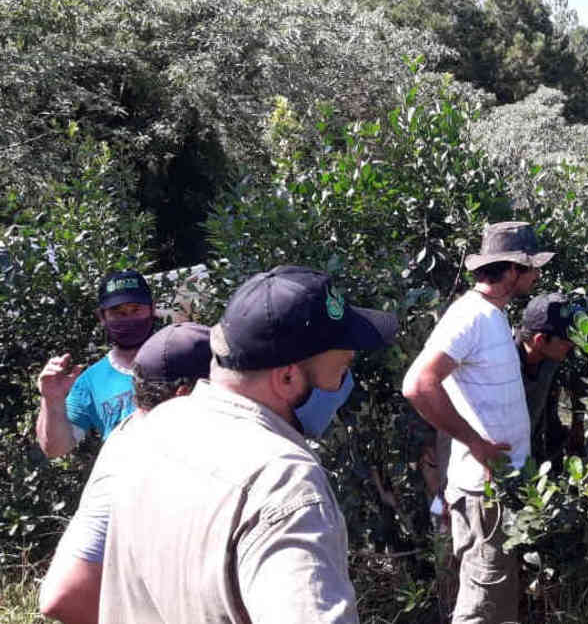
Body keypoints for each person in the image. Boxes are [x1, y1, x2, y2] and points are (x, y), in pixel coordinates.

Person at [100, 265, 396, 623]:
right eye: (341, 367)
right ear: (288, 377)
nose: (343, 382)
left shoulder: (154, 428)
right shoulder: (283, 483)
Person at [402, 221, 553, 624]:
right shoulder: (469, 316)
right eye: (531, 267)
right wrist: (476, 443)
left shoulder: (492, 315)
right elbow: (418, 385)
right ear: (510, 270)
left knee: (497, 605)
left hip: (498, 492)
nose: (537, 275)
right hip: (483, 495)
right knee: (480, 610)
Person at [39, 322, 213, 624]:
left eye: (134, 309)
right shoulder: (132, 456)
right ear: (185, 394)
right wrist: (52, 401)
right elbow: (63, 596)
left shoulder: (196, 448)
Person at [36, 270, 157, 457]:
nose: (128, 318)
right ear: (102, 317)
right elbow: (54, 449)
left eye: (136, 310)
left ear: (152, 308)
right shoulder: (91, 382)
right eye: (118, 312)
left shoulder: (185, 354)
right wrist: (51, 400)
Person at [516, 292, 587, 462]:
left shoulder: (551, 358)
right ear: (540, 340)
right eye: (567, 340)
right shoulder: (502, 365)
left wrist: (578, 424)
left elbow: (578, 378)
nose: (573, 344)